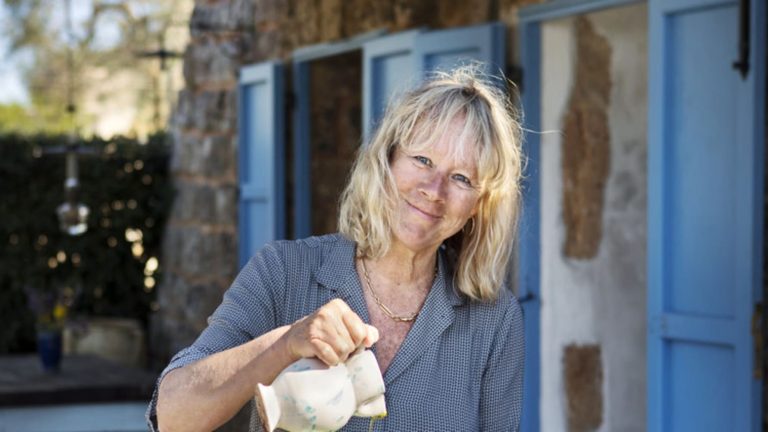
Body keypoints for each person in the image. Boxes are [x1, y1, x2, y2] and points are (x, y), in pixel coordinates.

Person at [148, 64, 525, 432]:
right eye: (422, 159)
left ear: (480, 205)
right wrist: (286, 342)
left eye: (461, 178)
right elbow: (174, 416)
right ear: (387, 161)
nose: (434, 189)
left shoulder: (494, 320)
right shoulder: (282, 272)